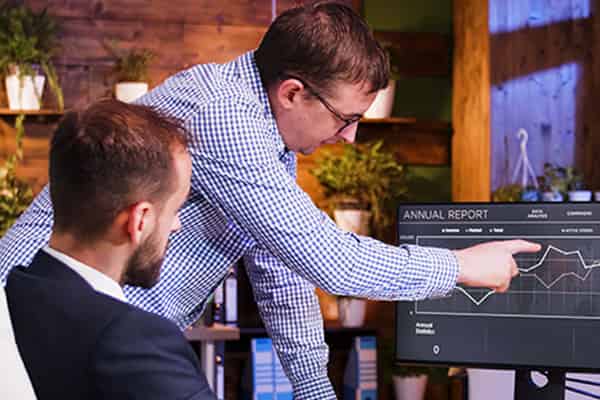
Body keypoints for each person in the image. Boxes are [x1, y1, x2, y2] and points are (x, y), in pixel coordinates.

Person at [0, 3, 540, 399]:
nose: (350, 136)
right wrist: (461, 266)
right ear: (293, 93)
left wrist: (315, 391)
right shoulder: (225, 114)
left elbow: (284, 273)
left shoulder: (269, 137)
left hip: (94, 324)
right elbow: (330, 259)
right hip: (41, 319)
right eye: (346, 118)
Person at [4, 100, 216, 400]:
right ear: (139, 220)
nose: (176, 225)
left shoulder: (15, 293)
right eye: (174, 210)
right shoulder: (134, 342)